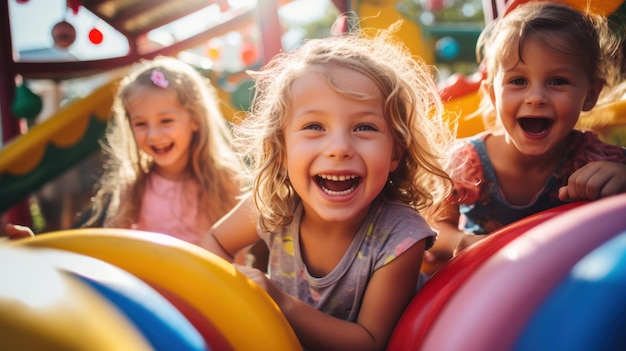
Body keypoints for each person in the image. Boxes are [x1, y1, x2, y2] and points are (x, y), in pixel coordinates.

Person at [196, 23, 454, 350]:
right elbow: (214, 242)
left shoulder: (400, 237)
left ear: (395, 152)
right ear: (281, 148)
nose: (339, 148)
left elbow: (370, 342)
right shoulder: (275, 203)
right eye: (315, 126)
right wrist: (235, 294)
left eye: (364, 127)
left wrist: (278, 302)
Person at [425, 1, 626, 273]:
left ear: (590, 94)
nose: (536, 98)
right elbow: (432, 228)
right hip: (483, 289)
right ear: (493, 95)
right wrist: (461, 241)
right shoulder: (465, 163)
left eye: (557, 81)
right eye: (518, 81)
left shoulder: (594, 158)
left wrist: (621, 177)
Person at [5, 56, 245, 246]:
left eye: (166, 121)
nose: (153, 135)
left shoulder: (223, 178)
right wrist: (41, 248)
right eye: (141, 124)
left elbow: (238, 256)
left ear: (195, 120)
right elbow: (113, 246)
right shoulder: (134, 185)